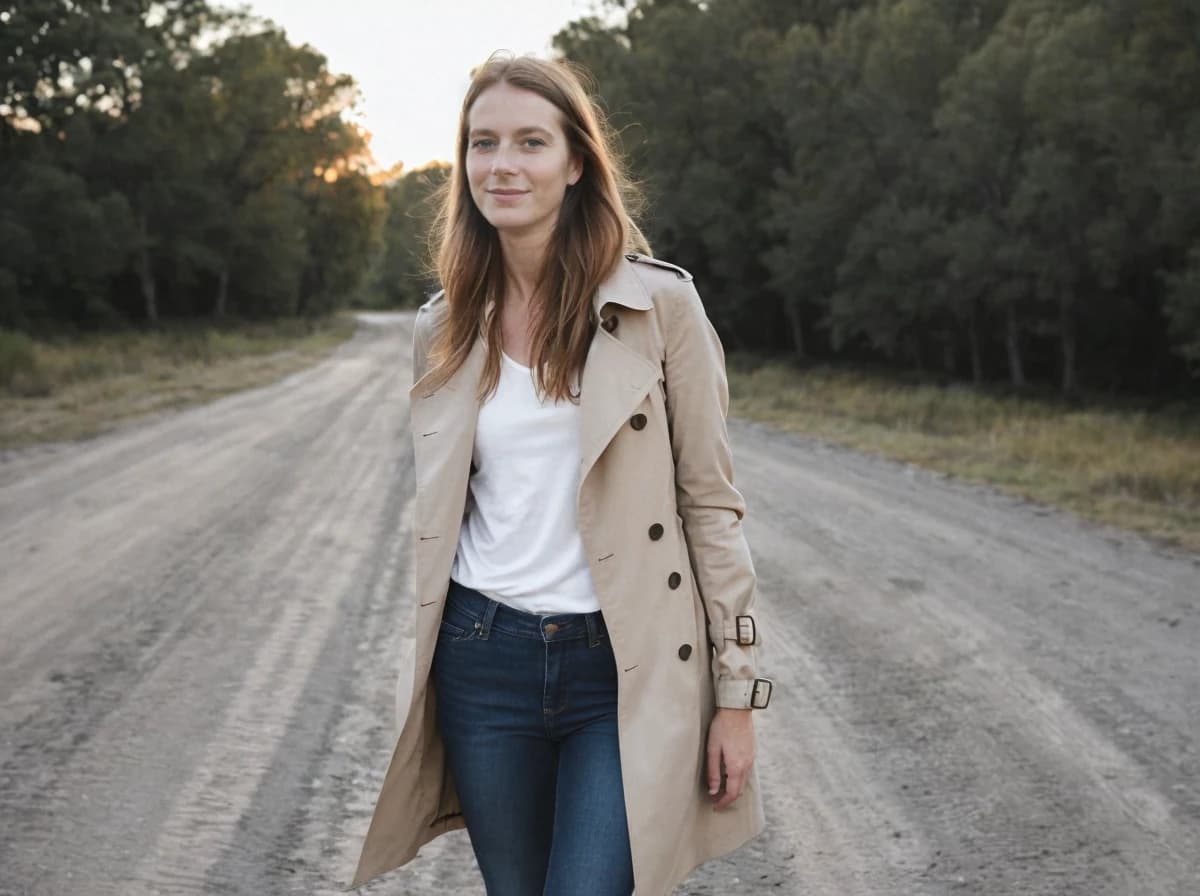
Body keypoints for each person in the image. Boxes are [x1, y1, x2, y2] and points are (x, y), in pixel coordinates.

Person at [352, 52, 772, 896]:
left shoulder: (662, 311)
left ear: (577, 162)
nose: (501, 165)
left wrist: (737, 694)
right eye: (482, 143)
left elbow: (710, 506)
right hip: (483, 661)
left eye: (530, 142)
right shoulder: (442, 326)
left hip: (624, 663)